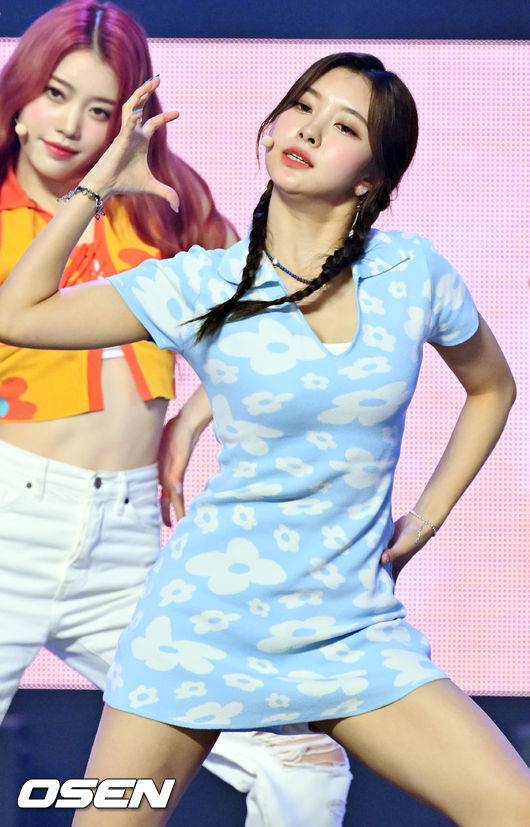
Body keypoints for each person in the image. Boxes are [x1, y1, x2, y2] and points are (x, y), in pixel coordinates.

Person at [2, 49, 529, 827]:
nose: (308, 130)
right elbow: (17, 314)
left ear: (371, 179)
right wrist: (101, 180)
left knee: (515, 806)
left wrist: (427, 516)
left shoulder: (413, 272)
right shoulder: (201, 283)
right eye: (302, 107)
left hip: (349, 626)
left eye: (343, 126)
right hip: (203, 626)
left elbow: (493, 387)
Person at [0, 3, 353, 824]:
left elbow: (277, 306)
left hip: (125, 538)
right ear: (18, 99)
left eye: (99, 109)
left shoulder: (163, 200)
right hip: (11, 516)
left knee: (300, 762)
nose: (70, 126)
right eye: (55, 94)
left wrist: (195, 416)